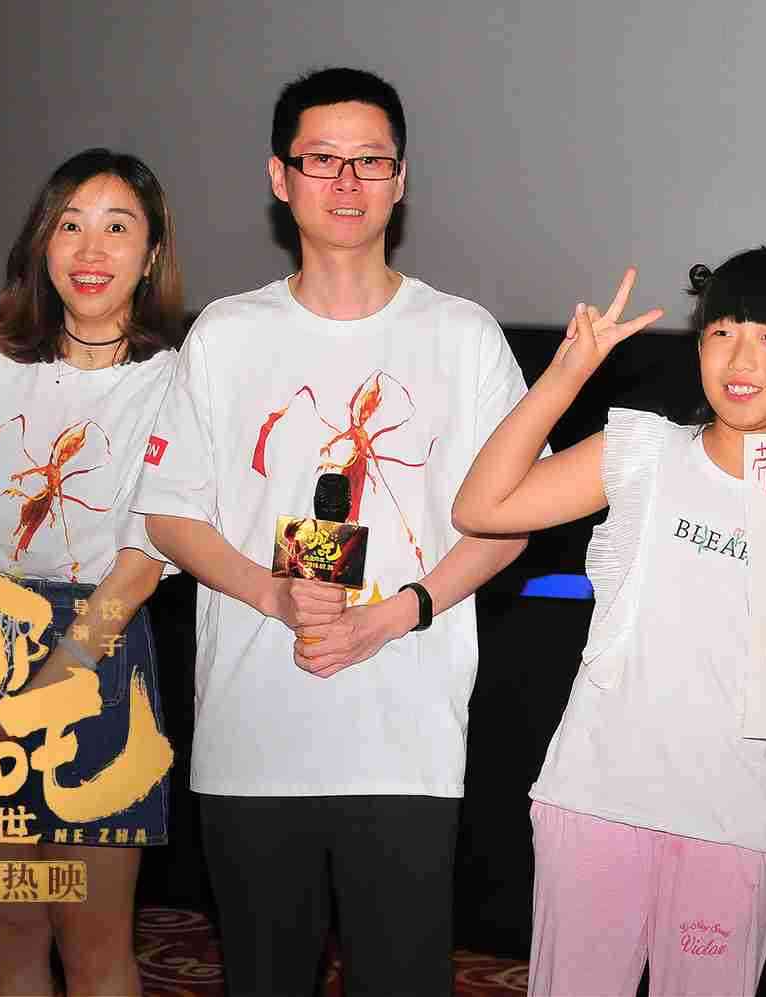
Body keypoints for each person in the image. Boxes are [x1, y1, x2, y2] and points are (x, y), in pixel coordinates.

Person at [131, 67, 530, 997]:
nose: (347, 182)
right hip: (253, 731)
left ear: (401, 179)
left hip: (406, 735)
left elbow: (512, 520)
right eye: (322, 160)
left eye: (370, 161)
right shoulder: (227, 333)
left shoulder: (463, 335)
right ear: (281, 177)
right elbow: (169, 511)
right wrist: (271, 593)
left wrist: (396, 614)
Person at [453, 249, 766, 996]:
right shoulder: (643, 450)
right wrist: (566, 374)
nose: (741, 359)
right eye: (722, 332)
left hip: (736, 825)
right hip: (596, 802)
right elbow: (481, 507)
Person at [0, 148, 184, 995]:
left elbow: (138, 572)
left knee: (93, 945)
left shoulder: (175, 382)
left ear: (151, 254)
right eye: (70, 226)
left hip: (95, 660)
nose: (91, 250)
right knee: (5, 935)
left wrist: (25, 706)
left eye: (117, 227)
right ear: (42, 244)